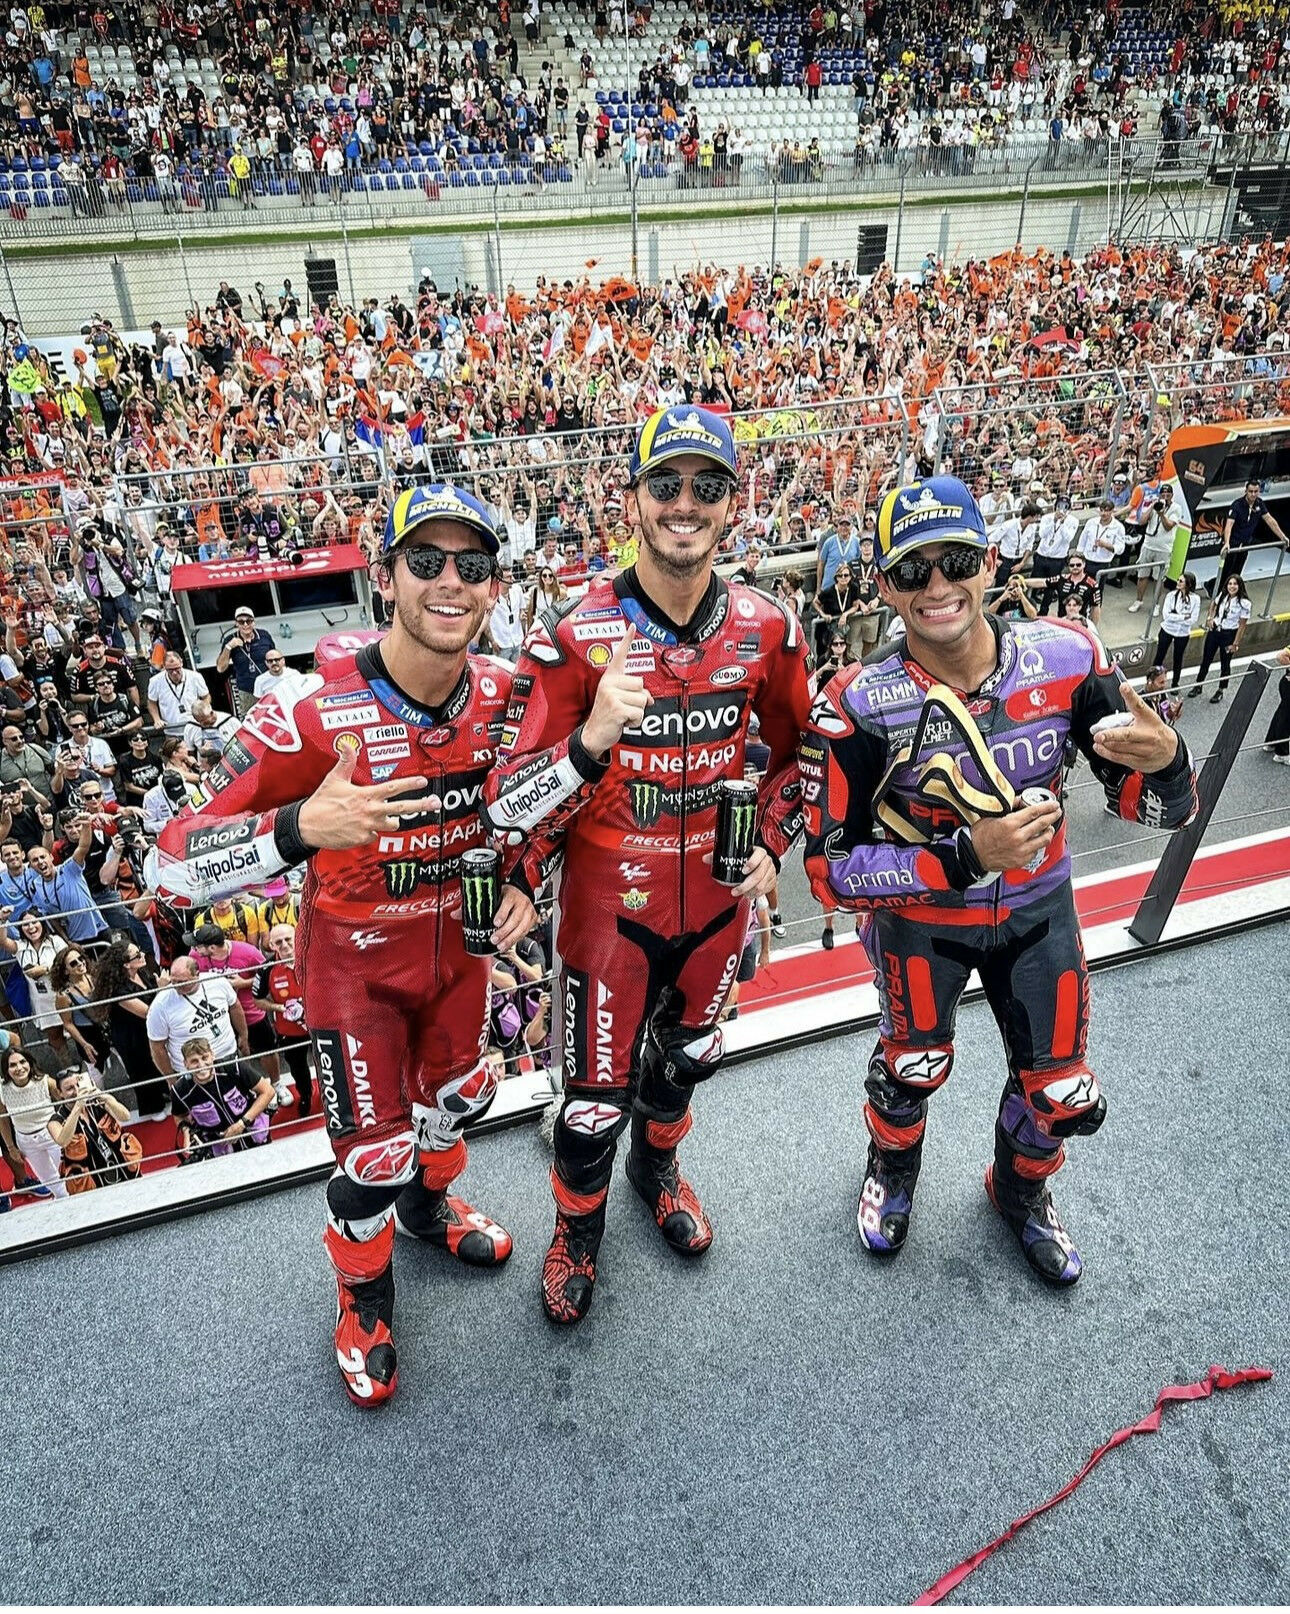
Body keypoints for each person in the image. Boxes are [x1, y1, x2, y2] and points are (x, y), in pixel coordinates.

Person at [149, 485, 535, 1408]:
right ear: (385, 578)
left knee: (463, 1099)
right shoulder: (307, 715)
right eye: (427, 562)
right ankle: (362, 1302)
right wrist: (295, 829)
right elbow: (168, 865)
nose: (450, 582)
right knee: (372, 1156)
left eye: (471, 566)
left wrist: (521, 875)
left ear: (493, 589)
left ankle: (429, 1213)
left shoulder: (510, 693)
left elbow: (537, 802)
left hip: (461, 963)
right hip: (354, 974)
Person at [800, 475, 1198, 1285]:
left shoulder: (1068, 654)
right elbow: (827, 872)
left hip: (1038, 914)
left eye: (954, 561)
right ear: (882, 586)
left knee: (1060, 1089)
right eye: (912, 570)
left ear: (990, 563)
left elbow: (1154, 807)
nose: (937, 586)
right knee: (911, 1067)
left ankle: (1019, 1194)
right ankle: (893, 1170)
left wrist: (1174, 765)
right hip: (923, 927)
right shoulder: (856, 704)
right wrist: (963, 858)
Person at [485, 406, 811, 1325]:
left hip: (716, 907)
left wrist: (776, 843)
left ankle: (658, 1170)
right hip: (604, 916)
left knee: (693, 1059)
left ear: (732, 506)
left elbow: (806, 753)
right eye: (664, 484)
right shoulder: (573, 635)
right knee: (589, 1107)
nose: (684, 504)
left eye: (707, 487)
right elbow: (513, 796)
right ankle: (577, 1231)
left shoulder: (767, 627)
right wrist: (587, 745)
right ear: (630, 499)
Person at [172, 1035, 274, 1161]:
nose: (201, 1065)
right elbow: (179, 1115)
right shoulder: (180, 1090)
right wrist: (187, 1132)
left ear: (212, 1056)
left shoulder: (233, 1067)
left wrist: (242, 1124)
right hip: (221, 1149)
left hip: (255, 1134)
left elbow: (268, 1091)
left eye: (205, 1058)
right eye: (194, 1061)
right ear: (185, 1064)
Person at [46, 1065, 141, 1191]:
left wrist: (104, 1096)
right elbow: (63, 1140)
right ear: (60, 1093)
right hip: (90, 1181)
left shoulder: (98, 1102)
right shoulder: (56, 1120)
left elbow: (125, 1116)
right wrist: (78, 1106)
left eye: (78, 1085)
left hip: (121, 1166)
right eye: (69, 1089)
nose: (76, 1091)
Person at [0, 1045, 67, 1197]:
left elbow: (66, 1103)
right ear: (6, 1069)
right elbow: (2, 1120)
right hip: (26, 1141)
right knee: (48, 1180)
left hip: (52, 1136)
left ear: (29, 1063)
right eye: (13, 1065)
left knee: (65, 1174)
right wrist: (11, 1147)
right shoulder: (2, 1090)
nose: (19, 1068)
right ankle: (64, 1201)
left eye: (22, 1062)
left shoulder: (46, 1082)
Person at [1189, 575, 1250, 704]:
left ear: (1239, 586)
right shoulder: (1223, 596)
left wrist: (1235, 643)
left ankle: (1221, 689)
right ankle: (1198, 685)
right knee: (1206, 659)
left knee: (1225, 663)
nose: (1232, 586)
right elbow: (1213, 605)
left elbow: (1242, 625)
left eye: (1235, 584)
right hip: (1215, 631)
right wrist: (1210, 618)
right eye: (1230, 584)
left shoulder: (1244, 603)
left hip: (1229, 635)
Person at [1220, 477, 1289, 587]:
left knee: (1237, 572)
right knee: (1226, 573)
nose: (1253, 494)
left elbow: (1270, 520)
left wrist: (1282, 536)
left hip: (1245, 544)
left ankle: (1232, 594)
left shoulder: (1259, 504)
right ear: (1246, 491)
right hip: (1233, 544)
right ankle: (1214, 589)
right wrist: (1227, 542)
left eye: (1256, 491)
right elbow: (1229, 525)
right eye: (1250, 491)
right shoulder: (1237, 505)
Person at [215, 608, 276, 719]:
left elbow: (274, 657)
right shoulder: (230, 639)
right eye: (241, 622)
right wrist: (229, 647)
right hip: (247, 690)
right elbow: (220, 668)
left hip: (267, 686)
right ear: (236, 624)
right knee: (250, 719)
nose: (245, 625)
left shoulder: (264, 635)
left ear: (254, 622)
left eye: (249, 621)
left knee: (273, 715)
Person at [1154, 571, 1202, 691]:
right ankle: (1152, 680)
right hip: (1167, 629)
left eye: (1181, 581)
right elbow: (1166, 616)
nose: (1178, 582)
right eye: (1178, 580)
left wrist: (1176, 617)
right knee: (1159, 656)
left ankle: (1175, 683)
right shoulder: (1171, 596)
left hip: (1182, 633)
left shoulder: (1195, 599)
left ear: (1188, 584)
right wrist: (1183, 617)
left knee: (1178, 658)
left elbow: (1193, 619)